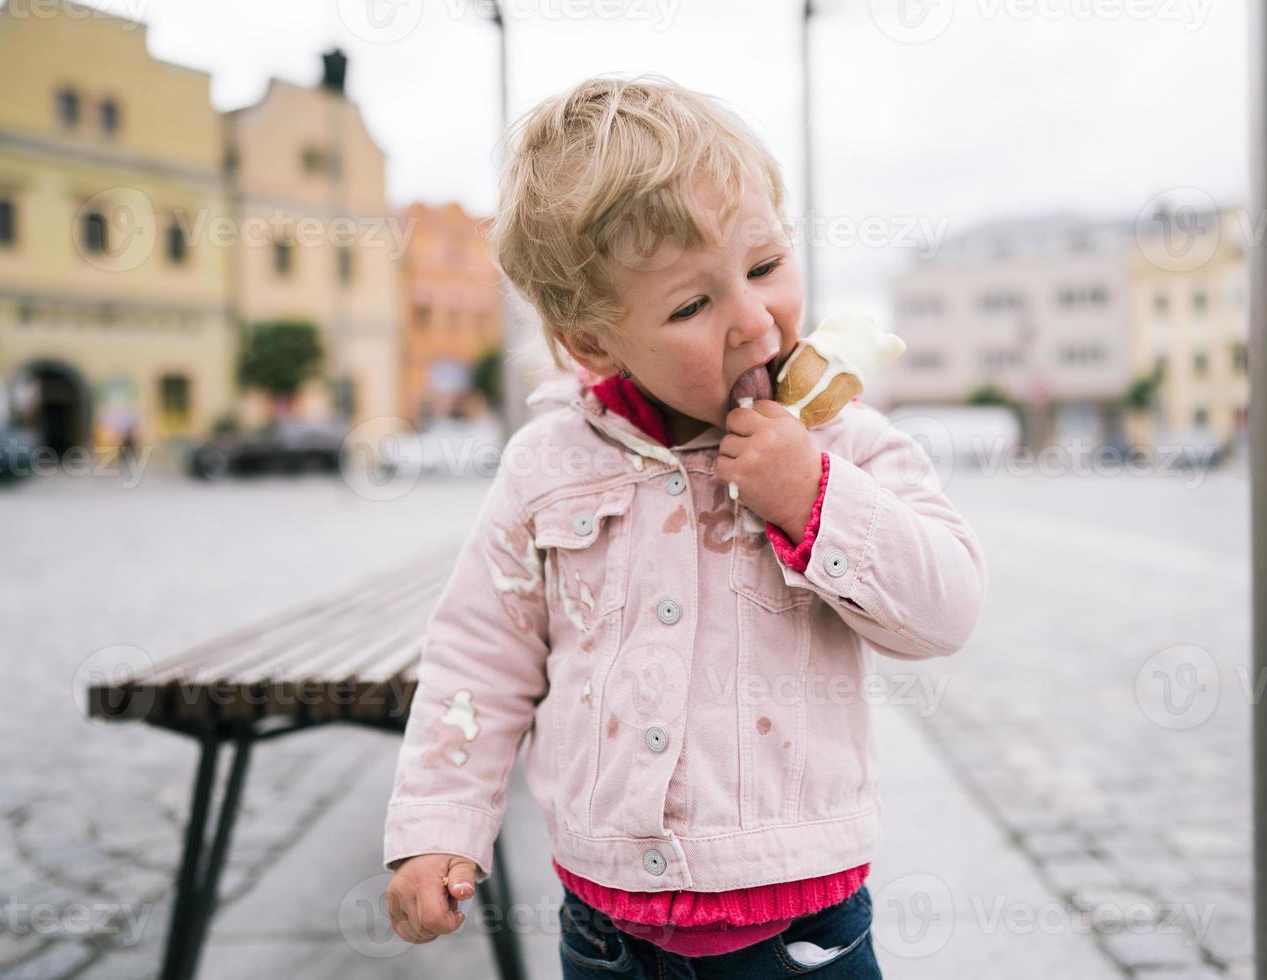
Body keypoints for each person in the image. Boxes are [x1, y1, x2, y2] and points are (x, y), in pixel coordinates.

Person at [382, 75, 988, 978]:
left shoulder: (845, 442)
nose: (752, 321)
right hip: (604, 925)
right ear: (594, 341)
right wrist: (438, 823)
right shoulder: (548, 464)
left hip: (800, 929)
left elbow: (948, 607)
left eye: (765, 266)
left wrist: (813, 496)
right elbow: (481, 655)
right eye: (690, 306)